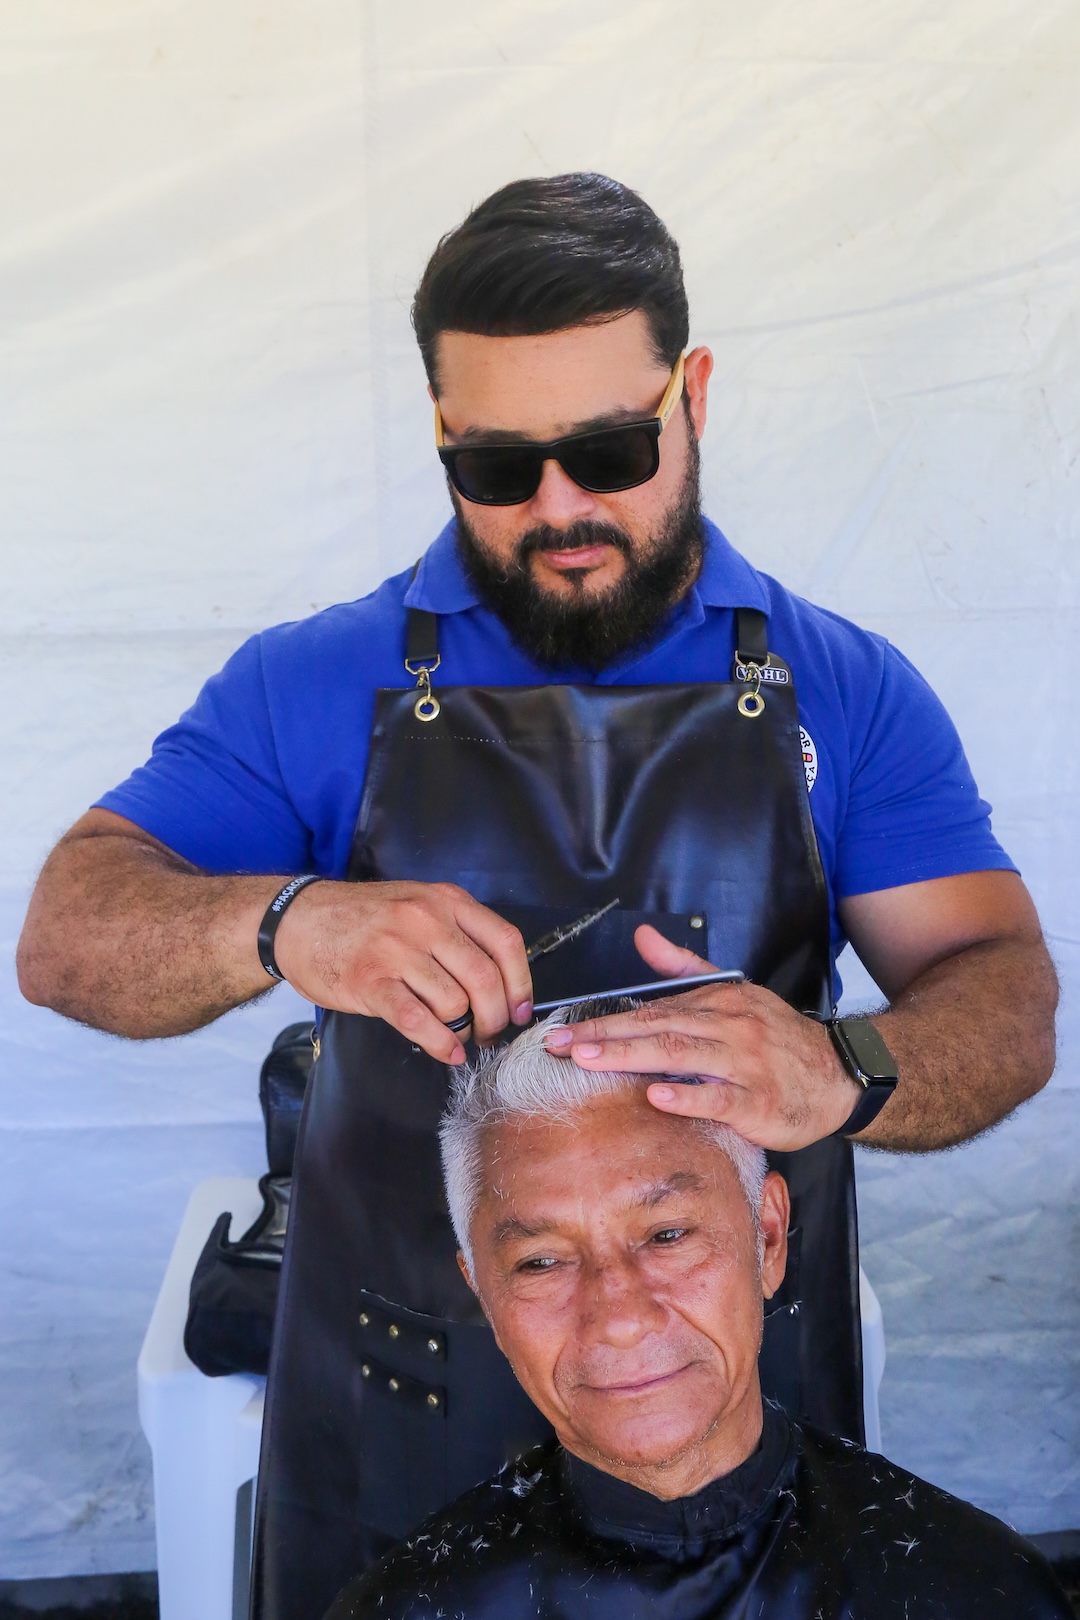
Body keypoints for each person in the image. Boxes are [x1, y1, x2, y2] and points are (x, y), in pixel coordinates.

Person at [15, 174, 1058, 1602]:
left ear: (694, 396)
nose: (561, 508)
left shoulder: (849, 692)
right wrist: (281, 922)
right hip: (400, 1399)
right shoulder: (314, 683)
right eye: (500, 468)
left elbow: (1004, 994)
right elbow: (67, 937)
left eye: (611, 449)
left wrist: (848, 1065)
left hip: (728, 1405)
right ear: (442, 435)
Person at [324, 1008, 1070, 1620]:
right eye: (541, 1262)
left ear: (767, 1237)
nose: (620, 1317)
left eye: (668, 1235)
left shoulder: (975, 1593)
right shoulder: (405, 1610)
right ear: (483, 1293)